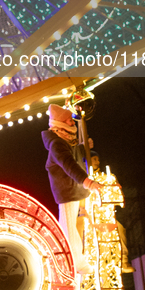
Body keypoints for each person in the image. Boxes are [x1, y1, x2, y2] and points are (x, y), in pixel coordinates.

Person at [41, 104, 102, 275]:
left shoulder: (64, 140)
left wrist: (84, 149)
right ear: (60, 124)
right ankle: (76, 264)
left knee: (69, 226)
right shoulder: (56, 144)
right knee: (69, 228)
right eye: (68, 120)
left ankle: (70, 260)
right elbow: (69, 164)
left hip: (73, 188)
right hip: (67, 189)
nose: (71, 122)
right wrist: (87, 182)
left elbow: (74, 154)